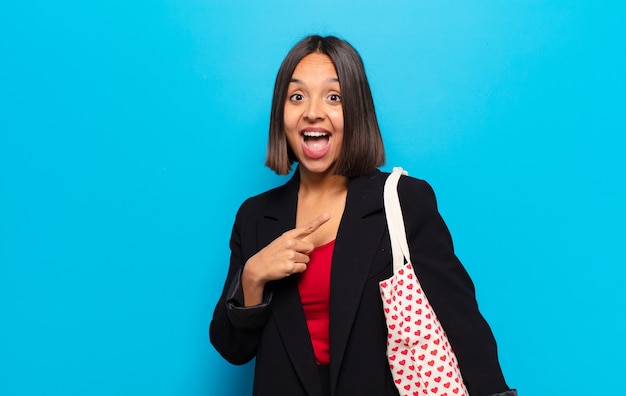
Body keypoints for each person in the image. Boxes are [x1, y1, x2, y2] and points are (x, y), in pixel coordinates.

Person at [210, 35, 516, 396]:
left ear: (356, 111)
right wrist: (253, 277)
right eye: (297, 96)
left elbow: (462, 325)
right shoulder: (255, 216)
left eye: (334, 97)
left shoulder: (403, 202)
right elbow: (232, 349)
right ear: (281, 113)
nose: (312, 111)